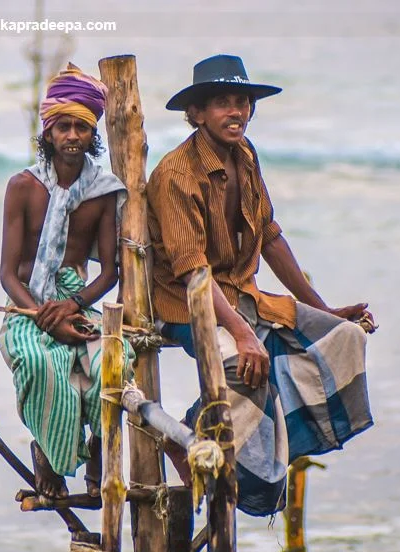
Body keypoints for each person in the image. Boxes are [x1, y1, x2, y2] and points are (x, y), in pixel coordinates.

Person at [147, 54, 376, 516]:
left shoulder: (246, 156)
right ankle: (189, 434)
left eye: (242, 102)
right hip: (185, 306)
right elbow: (193, 270)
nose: (235, 112)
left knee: (344, 338)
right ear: (196, 114)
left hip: (243, 296)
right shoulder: (176, 173)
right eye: (221, 103)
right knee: (242, 370)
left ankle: (268, 445)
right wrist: (243, 333)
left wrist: (325, 309)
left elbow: (269, 235)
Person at [0, 63, 132, 499]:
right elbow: (6, 273)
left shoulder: (105, 190)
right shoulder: (22, 186)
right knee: (41, 364)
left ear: (92, 132)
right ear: (49, 132)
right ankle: (51, 458)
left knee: (112, 361)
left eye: (81, 126)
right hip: (27, 304)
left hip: (79, 301)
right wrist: (42, 316)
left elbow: (111, 272)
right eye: (63, 126)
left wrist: (71, 308)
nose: (72, 135)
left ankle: (98, 451)